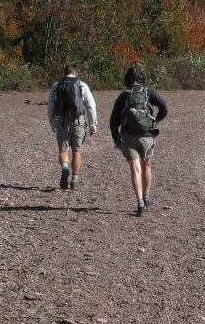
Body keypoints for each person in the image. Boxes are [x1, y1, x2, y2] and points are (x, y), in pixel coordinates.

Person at [109, 65, 168, 216]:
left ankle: (140, 203)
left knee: (135, 169)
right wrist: (156, 120)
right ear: (141, 78)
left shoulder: (124, 96)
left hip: (129, 136)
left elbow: (113, 120)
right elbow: (164, 106)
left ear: (127, 80)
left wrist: (116, 138)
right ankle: (147, 197)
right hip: (147, 134)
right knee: (146, 165)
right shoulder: (148, 92)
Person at [48, 64, 99, 191]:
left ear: (64, 73)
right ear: (76, 73)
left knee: (63, 150)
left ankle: (65, 167)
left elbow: (51, 106)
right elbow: (91, 105)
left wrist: (53, 122)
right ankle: (74, 180)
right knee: (77, 151)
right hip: (78, 120)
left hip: (62, 121)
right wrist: (93, 125)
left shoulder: (57, 85)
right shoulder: (81, 85)